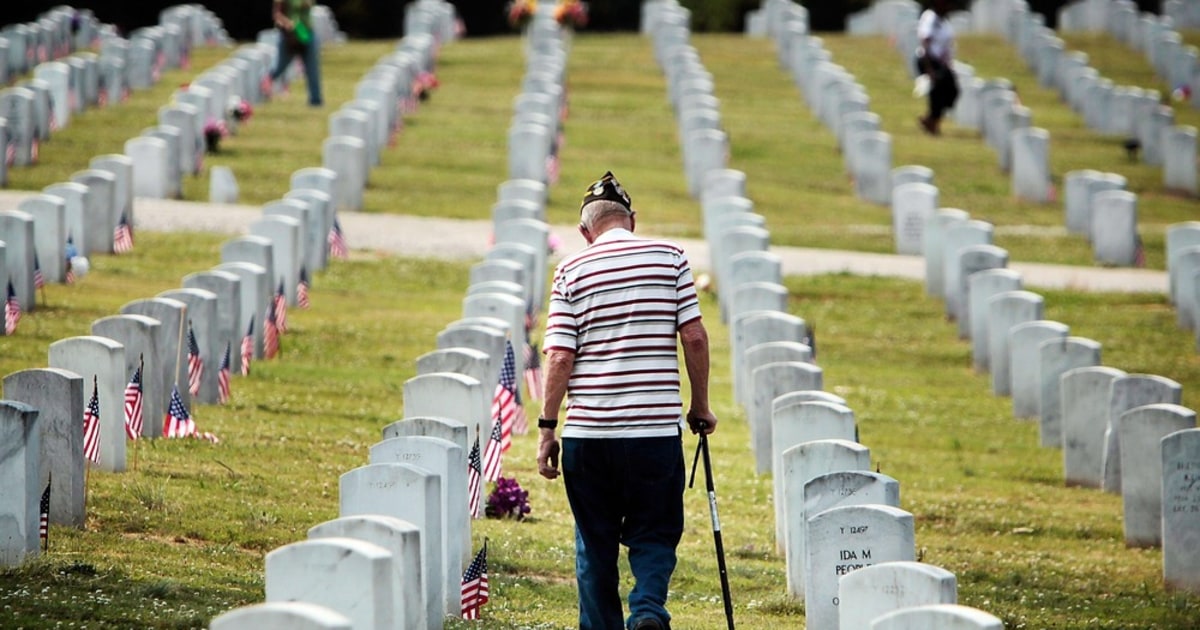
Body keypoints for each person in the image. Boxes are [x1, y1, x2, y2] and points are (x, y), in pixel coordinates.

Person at [536, 171, 718, 630]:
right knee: (655, 532)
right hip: (654, 431)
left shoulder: (570, 271)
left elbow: (559, 355)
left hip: (589, 435)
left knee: (593, 544)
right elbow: (694, 337)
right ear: (631, 220)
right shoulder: (671, 257)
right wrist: (700, 406)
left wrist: (547, 428)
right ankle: (648, 611)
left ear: (584, 231)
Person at [916, 0, 958, 135]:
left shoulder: (945, 23)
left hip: (941, 64)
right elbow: (925, 42)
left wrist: (949, 65)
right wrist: (929, 69)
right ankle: (932, 122)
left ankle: (931, 119)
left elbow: (947, 48)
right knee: (938, 88)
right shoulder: (930, 18)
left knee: (953, 92)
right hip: (927, 60)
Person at [270, 0, 323, 107]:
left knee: (313, 69)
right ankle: (263, 85)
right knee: (280, 67)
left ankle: (315, 101)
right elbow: (277, 14)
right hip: (290, 37)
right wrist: (288, 23)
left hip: (306, 34)